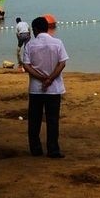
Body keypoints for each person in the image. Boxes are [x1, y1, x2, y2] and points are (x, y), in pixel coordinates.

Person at [23, 16, 69, 158]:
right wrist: (50, 79)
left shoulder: (30, 45)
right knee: (52, 120)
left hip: (36, 89)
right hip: (53, 89)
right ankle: (53, 149)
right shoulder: (57, 43)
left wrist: (42, 78)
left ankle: (35, 149)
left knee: (34, 120)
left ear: (36, 29)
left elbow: (26, 65)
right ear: (47, 28)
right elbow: (62, 63)